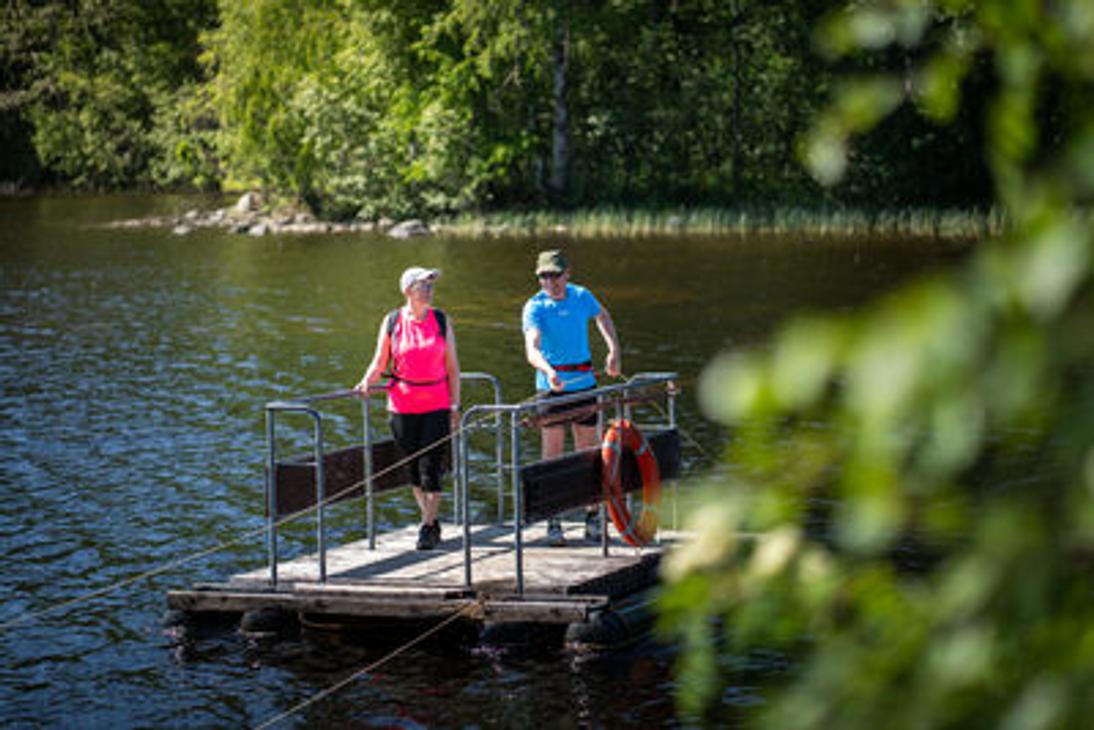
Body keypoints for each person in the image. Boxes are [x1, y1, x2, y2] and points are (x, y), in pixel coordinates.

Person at [355, 266, 461, 550]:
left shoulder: (440, 320)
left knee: (432, 466)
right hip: (402, 403)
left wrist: (455, 403)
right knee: (412, 469)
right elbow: (380, 362)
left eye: (430, 285)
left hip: (437, 401)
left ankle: (426, 526)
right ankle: (431, 520)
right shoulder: (392, 321)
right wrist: (366, 381)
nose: (429, 290)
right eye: (423, 285)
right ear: (408, 291)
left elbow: (453, 367)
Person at [522, 249, 621, 546]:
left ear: (567, 274)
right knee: (553, 454)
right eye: (544, 277)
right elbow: (532, 347)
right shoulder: (534, 307)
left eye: (555, 275)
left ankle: (593, 517)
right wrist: (547, 370)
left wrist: (614, 349)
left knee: (588, 452)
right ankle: (554, 520)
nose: (550, 282)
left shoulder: (581, 296)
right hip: (551, 389)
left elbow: (603, 316)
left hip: (585, 386)